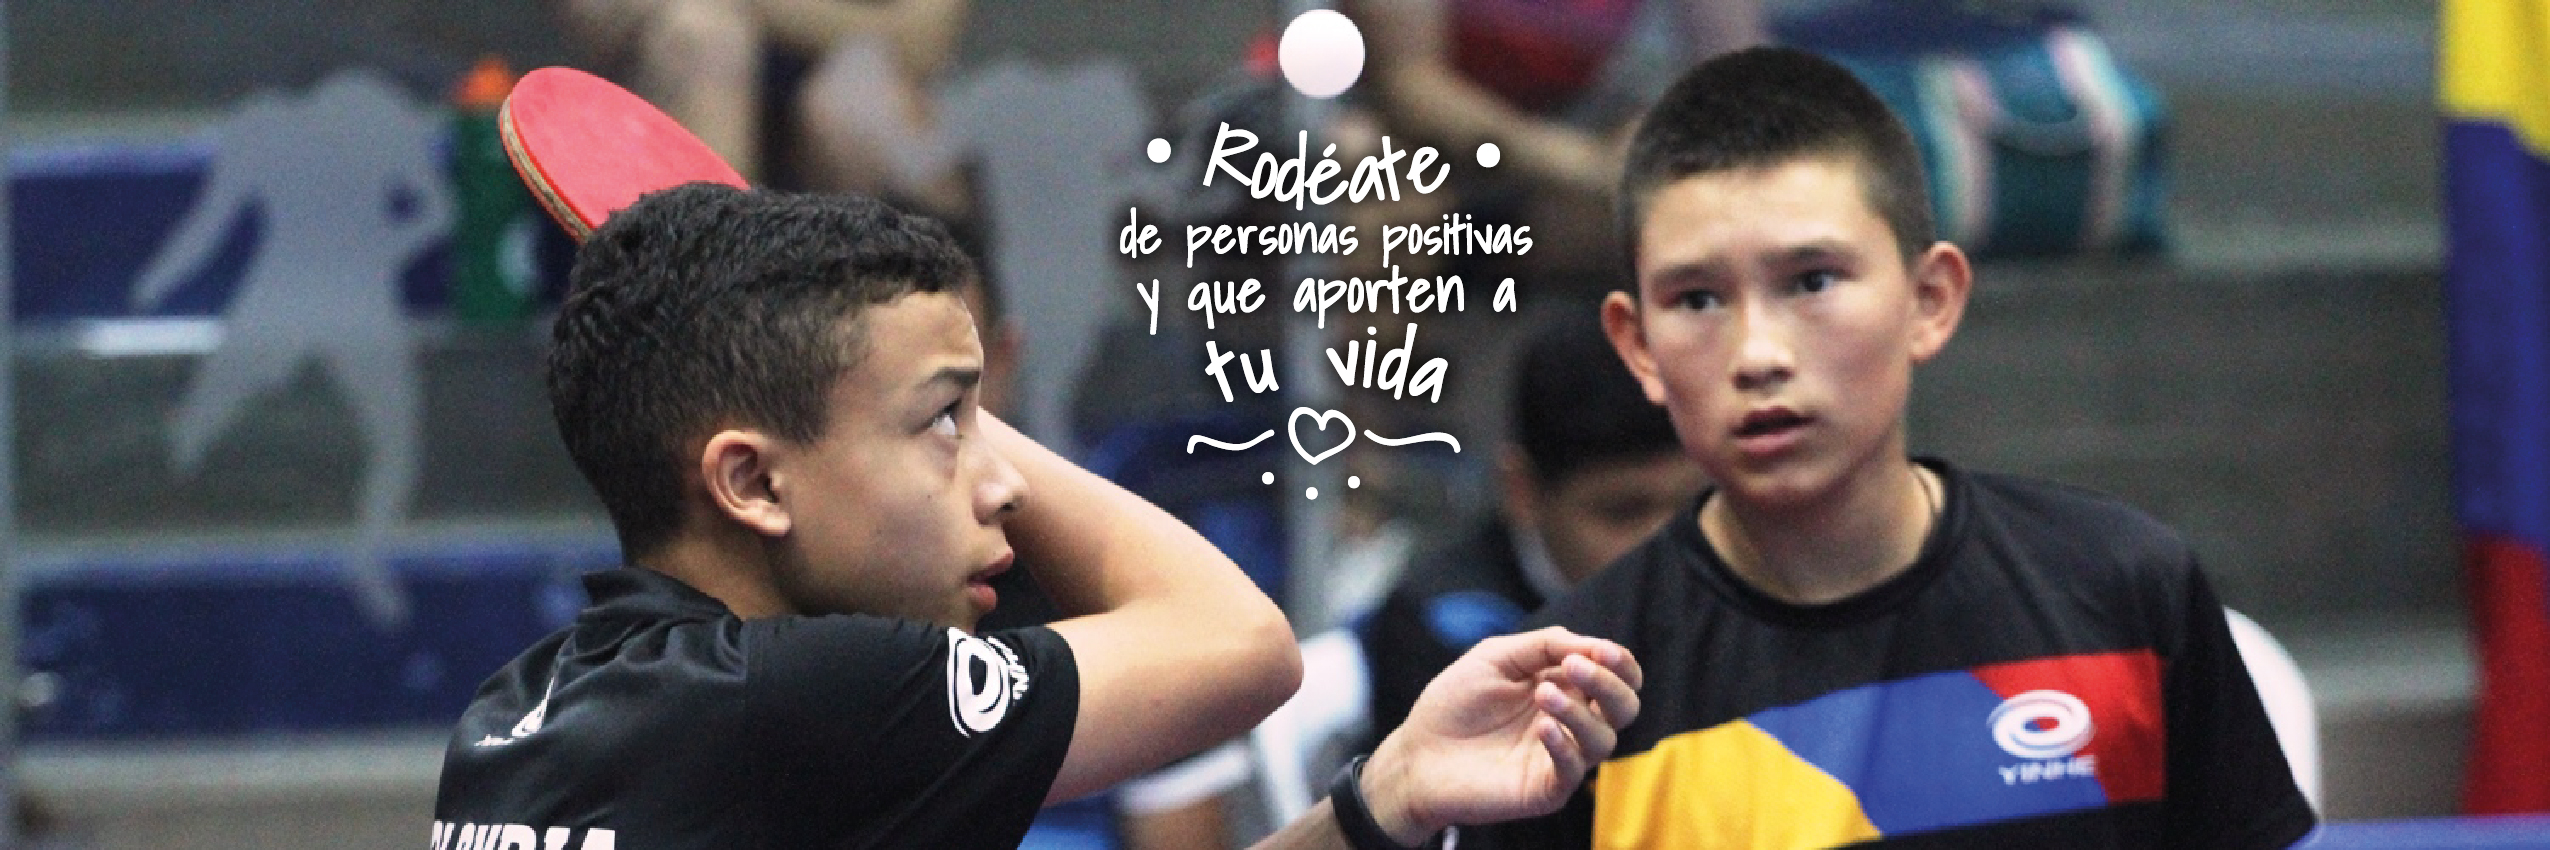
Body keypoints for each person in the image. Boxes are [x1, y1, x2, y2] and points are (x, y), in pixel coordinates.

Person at [429, 184, 1642, 850]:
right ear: (751, 483)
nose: (1001, 480)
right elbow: (1239, 644)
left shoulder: (519, 719)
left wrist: (1383, 801)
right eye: (946, 424)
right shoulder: (802, 697)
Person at [1468, 47, 2317, 848]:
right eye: (1697, 299)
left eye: (1812, 281)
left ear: (1930, 299)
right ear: (1639, 346)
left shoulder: (2125, 592)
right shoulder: (1569, 697)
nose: (1758, 354)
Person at [1363, 307, 1704, 737]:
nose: (1666, 543)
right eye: (1622, 512)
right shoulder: (1443, 626)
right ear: (1521, 492)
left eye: (1694, 505)